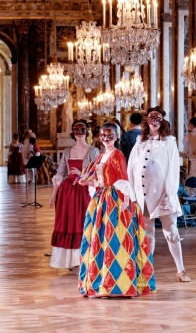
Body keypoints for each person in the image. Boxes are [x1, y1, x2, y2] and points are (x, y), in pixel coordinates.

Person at [77, 121, 156, 298]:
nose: (106, 138)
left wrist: (126, 201)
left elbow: (123, 179)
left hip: (115, 200)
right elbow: (101, 180)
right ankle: (103, 281)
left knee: (115, 240)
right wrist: (87, 182)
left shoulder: (117, 155)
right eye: (103, 135)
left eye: (110, 135)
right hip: (102, 198)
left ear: (116, 137)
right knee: (101, 239)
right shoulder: (101, 156)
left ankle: (117, 284)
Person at [127, 106, 191, 282]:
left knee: (171, 230)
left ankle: (181, 270)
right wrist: (132, 193)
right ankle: (147, 271)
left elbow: (172, 169)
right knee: (147, 233)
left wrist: (170, 194)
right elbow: (131, 167)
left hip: (163, 194)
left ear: (162, 120)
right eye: (150, 118)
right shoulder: (140, 141)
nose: (154, 122)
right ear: (146, 121)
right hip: (143, 194)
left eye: (157, 118)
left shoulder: (169, 142)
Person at [49, 120, 100, 270]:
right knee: (68, 222)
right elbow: (60, 174)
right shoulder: (66, 152)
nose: (79, 133)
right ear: (73, 132)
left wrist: (82, 174)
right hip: (67, 192)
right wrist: (53, 195)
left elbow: (97, 173)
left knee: (83, 222)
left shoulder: (93, 151)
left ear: (87, 131)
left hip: (85, 190)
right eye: (76, 130)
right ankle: (70, 260)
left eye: (82, 130)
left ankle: (85, 258)